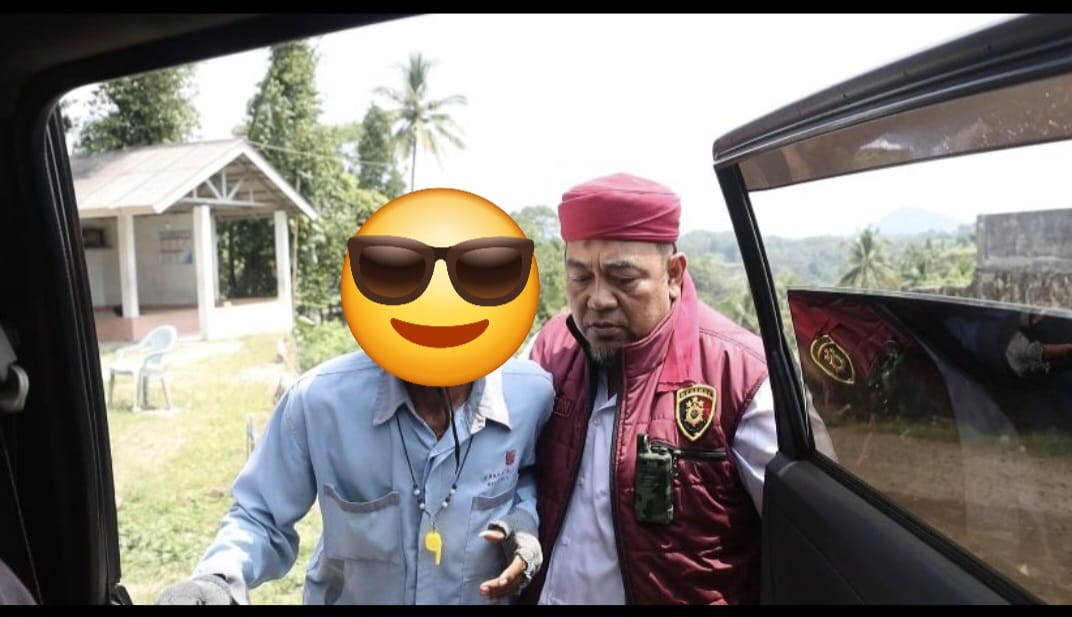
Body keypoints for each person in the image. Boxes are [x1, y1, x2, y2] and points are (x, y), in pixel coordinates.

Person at [522, 173, 779, 605]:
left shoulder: (739, 377)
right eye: (580, 278)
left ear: (673, 274)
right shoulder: (548, 351)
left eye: (623, 279)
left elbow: (809, 541)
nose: (598, 300)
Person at [156, 351, 553, 605]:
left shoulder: (531, 395)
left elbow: (528, 475)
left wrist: (524, 521)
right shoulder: (319, 401)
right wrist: (218, 580)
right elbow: (261, 516)